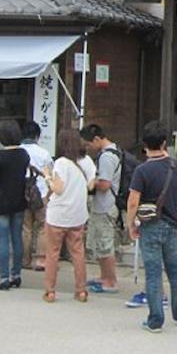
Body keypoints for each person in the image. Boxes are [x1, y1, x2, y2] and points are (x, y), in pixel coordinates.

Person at [126, 122, 177, 332]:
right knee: (176, 271)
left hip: (150, 226)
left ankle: (155, 320)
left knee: (153, 273)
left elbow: (133, 201)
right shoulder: (176, 166)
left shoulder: (142, 170)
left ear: (144, 145)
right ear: (165, 143)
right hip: (172, 225)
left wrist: (131, 224)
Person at [43, 128, 94, 303]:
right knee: (78, 253)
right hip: (78, 214)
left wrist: (47, 177)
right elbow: (91, 185)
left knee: (53, 253)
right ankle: (81, 290)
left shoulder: (61, 163)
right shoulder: (86, 161)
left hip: (58, 214)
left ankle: (50, 291)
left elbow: (58, 189)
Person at [0, 120, 30, 291]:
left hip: (1, 201)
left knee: (3, 239)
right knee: (17, 238)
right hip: (19, 201)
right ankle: (16, 275)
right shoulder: (24, 155)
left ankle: (4, 277)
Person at [79, 124, 121, 294]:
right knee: (100, 244)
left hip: (106, 206)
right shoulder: (114, 150)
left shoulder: (106, 157)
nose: (88, 148)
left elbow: (104, 184)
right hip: (105, 205)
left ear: (96, 139)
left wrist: (90, 181)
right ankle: (104, 276)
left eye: (88, 144)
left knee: (105, 245)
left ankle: (110, 281)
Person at [20, 120, 52, 271]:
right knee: (42, 227)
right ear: (37, 136)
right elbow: (50, 174)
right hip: (41, 193)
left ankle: (25, 260)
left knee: (25, 228)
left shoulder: (18, 151)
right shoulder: (44, 153)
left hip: (23, 193)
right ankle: (40, 260)